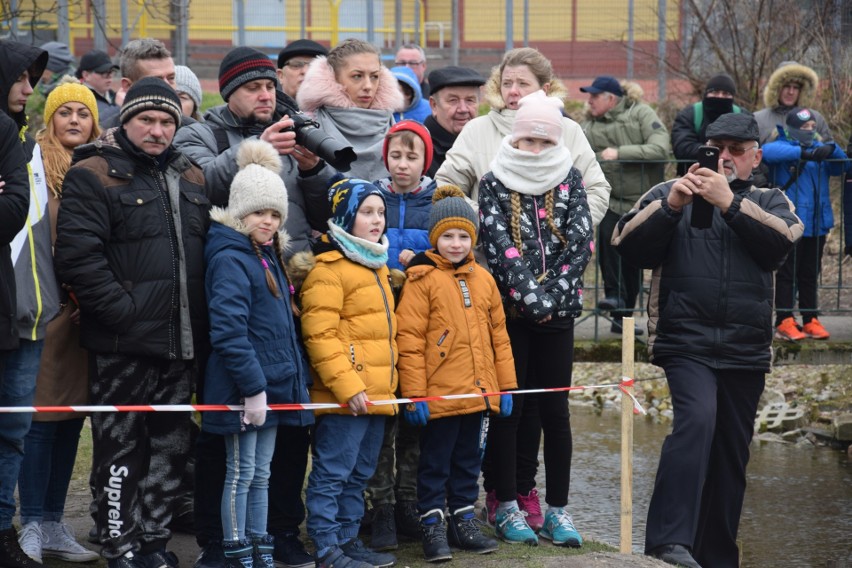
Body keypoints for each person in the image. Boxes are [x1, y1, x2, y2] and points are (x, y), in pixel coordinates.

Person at [611, 113, 803, 568]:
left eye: (737, 150)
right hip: (686, 339)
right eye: (717, 148)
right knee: (697, 422)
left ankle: (717, 554)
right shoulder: (667, 193)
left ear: (755, 157)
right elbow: (626, 244)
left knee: (731, 450)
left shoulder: (772, 199)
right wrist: (672, 206)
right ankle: (668, 542)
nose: (725, 158)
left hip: (745, 346)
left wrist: (730, 205)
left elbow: (780, 244)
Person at [173, 46, 332, 568]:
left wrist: (311, 171)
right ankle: (220, 542)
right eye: (253, 88)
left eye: (270, 86)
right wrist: (253, 150)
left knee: (286, 436)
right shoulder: (204, 131)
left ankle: (278, 533)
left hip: (285, 288)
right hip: (226, 285)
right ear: (228, 92)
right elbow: (193, 187)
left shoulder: (293, 127)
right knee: (226, 438)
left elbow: (316, 212)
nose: (266, 95)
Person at [54, 77, 210, 568]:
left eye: (167, 121)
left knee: (169, 450)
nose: (157, 130)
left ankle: (153, 543)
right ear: (126, 121)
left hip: (179, 343)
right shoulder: (94, 173)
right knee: (119, 450)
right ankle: (118, 542)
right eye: (147, 119)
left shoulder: (193, 176)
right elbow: (79, 257)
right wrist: (123, 313)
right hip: (122, 343)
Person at [478, 90, 593, 547]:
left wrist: (553, 298)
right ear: (514, 138)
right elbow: (497, 242)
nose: (536, 150)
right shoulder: (493, 181)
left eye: (545, 143)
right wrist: (532, 298)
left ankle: (558, 510)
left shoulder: (572, 178)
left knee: (556, 413)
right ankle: (505, 503)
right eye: (528, 141)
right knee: (511, 407)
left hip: (560, 317)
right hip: (512, 314)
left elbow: (581, 243)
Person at [203, 139, 313, 568]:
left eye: (273, 214)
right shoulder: (230, 257)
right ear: (239, 212)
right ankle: (235, 549)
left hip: (273, 387)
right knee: (239, 472)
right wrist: (252, 389)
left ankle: (259, 543)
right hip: (244, 387)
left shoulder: (269, 258)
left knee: (262, 473)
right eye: (258, 213)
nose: (266, 221)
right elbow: (229, 331)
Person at [396, 185, 516, 562]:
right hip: (440, 395)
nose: (455, 243)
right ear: (435, 238)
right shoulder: (421, 279)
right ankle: (432, 523)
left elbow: (499, 336)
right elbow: (410, 339)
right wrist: (415, 394)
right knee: (434, 463)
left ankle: (463, 519)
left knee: (468, 462)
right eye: (447, 236)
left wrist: (506, 387)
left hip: (478, 395)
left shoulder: (485, 280)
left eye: (463, 236)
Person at [290, 178, 399, 568]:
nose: (376, 220)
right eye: (367, 212)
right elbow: (320, 335)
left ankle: (349, 539)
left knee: (360, 473)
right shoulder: (329, 269)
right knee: (333, 472)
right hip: (345, 396)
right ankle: (325, 545)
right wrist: (347, 386)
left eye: (381, 212)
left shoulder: (379, 266)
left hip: (377, 394)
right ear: (347, 216)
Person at [15, 78, 101, 566]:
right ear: (49, 119)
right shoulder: (32, 167)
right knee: (40, 422)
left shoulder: (96, 169)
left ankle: (53, 525)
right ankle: (31, 522)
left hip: (83, 315)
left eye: (83, 113)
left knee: (71, 420)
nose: (74, 120)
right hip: (44, 313)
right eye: (65, 112)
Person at [435, 47, 609, 226]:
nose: (513, 91)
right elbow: (446, 184)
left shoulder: (569, 130)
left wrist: (564, 231)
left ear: (544, 89)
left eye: (523, 84)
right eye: (507, 83)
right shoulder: (476, 130)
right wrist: (488, 223)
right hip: (489, 252)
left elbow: (597, 189)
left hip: (559, 252)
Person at [364, 120, 435, 551]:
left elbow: (456, 251)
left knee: (414, 417)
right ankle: (381, 505)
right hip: (378, 324)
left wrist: (421, 258)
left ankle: (409, 501)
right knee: (382, 422)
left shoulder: (438, 201)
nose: (402, 165)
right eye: (396, 156)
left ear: (426, 160)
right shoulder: (374, 199)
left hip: (421, 327)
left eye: (412, 157)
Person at [579, 75, 669, 336]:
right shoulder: (588, 125)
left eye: (595, 96)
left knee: (633, 256)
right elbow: (580, 157)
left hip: (643, 200)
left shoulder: (640, 113)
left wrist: (619, 153)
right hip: (610, 200)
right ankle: (618, 307)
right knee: (610, 249)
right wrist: (600, 158)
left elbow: (660, 148)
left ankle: (629, 312)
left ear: (611, 99)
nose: (589, 101)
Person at [0, 40, 44, 568]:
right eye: (20, 78)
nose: (28, 91)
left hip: (19, 309)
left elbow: (12, 212)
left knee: (12, 428)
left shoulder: (10, 138)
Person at [762, 107, 846, 342]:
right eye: (804, 128)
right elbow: (767, 152)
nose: (809, 131)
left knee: (810, 273)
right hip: (792, 222)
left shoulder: (820, 148)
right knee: (788, 273)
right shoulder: (783, 146)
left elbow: (843, 165)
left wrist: (832, 148)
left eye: (812, 127)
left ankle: (810, 318)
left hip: (818, 222)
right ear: (792, 130)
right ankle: (784, 319)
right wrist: (804, 153)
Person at [297, 38, 403, 181]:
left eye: (374, 76)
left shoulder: (397, 127)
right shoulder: (310, 127)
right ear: (333, 78)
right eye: (357, 76)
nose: (368, 86)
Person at [671, 72, 745, 176]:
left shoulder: (743, 116)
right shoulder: (689, 115)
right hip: (694, 178)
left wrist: (709, 151)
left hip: (734, 179)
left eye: (725, 94)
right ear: (706, 94)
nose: (720, 97)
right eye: (715, 92)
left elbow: (751, 147)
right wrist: (721, 150)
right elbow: (682, 148)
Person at [422, 66, 485, 177]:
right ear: (434, 105)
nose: (463, 109)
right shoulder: (419, 150)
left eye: (470, 100)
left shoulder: (487, 142)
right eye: (453, 100)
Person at [754, 61, 831, 145]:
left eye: (796, 88)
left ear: (802, 91)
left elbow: (831, 151)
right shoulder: (758, 120)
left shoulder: (816, 119)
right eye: (786, 86)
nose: (791, 92)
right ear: (776, 89)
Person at [103, 38, 176, 127]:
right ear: (127, 85)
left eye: (171, 78)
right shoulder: (103, 132)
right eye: (156, 81)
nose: (167, 86)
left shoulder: (192, 131)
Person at [76, 49, 120, 127]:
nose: (109, 77)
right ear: (86, 75)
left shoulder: (114, 96)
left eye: (111, 72)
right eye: (103, 73)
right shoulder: (77, 98)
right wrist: (118, 107)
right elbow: (94, 125)